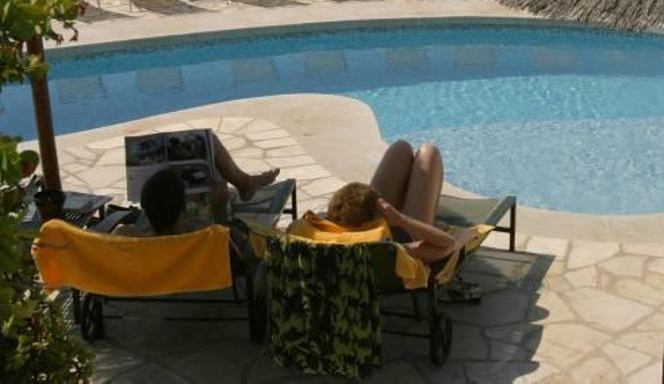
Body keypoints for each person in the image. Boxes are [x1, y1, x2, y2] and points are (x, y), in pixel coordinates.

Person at [294, 141, 474, 263]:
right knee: (429, 153)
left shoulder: (308, 232)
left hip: (358, 229)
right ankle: (430, 221)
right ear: (378, 216)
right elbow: (447, 244)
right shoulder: (391, 250)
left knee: (401, 148)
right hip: (409, 234)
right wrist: (402, 220)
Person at [116, 135, 279, 236]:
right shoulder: (201, 236)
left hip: (150, 286)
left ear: (145, 206)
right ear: (183, 210)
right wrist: (220, 211)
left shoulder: (127, 238)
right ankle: (245, 184)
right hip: (201, 283)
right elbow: (233, 244)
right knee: (211, 143)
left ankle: (245, 183)